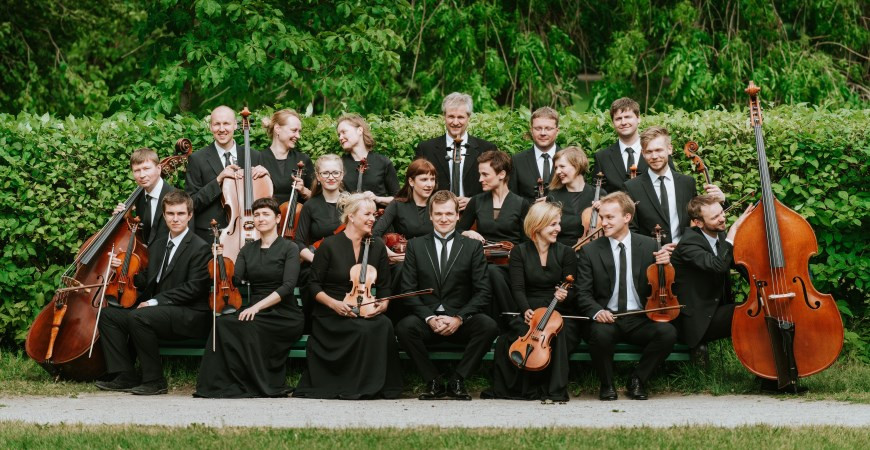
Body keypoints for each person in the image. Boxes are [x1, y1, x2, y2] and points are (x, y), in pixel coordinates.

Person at [96, 191, 211, 395]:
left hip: (190, 315)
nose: (175, 219)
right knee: (108, 315)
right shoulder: (158, 245)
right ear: (164, 215)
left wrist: (154, 302)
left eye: (180, 213)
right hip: (160, 312)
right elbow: (148, 280)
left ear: (190, 215)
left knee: (140, 316)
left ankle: (155, 380)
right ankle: (126, 375)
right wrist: (122, 269)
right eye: (170, 214)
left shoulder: (200, 248)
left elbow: (194, 288)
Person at [293, 192, 402, 399]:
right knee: (362, 329)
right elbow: (313, 285)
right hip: (331, 311)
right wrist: (334, 304)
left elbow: (385, 286)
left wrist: (384, 303)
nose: (372, 219)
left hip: (363, 306)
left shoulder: (377, 245)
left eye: (373, 215)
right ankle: (352, 385)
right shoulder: (329, 245)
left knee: (384, 325)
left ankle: (378, 386)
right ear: (351, 216)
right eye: (367, 214)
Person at [194, 197, 304, 398]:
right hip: (256, 311)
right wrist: (219, 259)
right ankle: (220, 384)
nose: (260, 218)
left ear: (277, 218)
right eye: (257, 214)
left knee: (250, 326)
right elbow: (235, 280)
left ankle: (258, 383)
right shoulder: (247, 249)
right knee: (223, 323)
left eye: (266, 214)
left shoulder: (290, 248)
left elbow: (288, 287)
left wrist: (256, 307)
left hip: (284, 313)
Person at [396, 191, 498, 400]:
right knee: (404, 328)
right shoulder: (415, 245)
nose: (444, 219)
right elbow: (408, 290)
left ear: (458, 216)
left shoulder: (472, 247)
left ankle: (457, 380)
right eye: (439, 214)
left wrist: (459, 318)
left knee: (488, 326)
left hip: (460, 321)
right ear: (430, 216)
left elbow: (483, 292)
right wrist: (430, 318)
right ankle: (432, 381)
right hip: (427, 321)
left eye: (449, 214)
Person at [576, 191, 677, 401]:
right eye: (602, 217)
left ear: (627, 217)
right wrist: (597, 312)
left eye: (609, 217)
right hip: (608, 317)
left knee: (667, 333)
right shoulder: (590, 251)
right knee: (600, 335)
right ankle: (607, 384)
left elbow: (663, 283)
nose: (603, 222)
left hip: (639, 318)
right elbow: (582, 293)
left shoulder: (650, 245)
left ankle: (638, 379)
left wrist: (666, 264)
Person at [483, 202, 583, 402]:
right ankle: (521, 388)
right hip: (530, 310)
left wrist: (564, 295)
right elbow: (518, 288)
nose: (558, 229)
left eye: (558, 223)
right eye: (553, 224)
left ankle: (555, 389)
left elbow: (573, 290)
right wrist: (526, 309)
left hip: (558, 309)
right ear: (538, 225)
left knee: (560, 333)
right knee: (512, 337)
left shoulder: (566, 253)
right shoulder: (519, 252)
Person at [672, 195, 753, 364]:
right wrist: (732, 234)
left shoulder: (719, 236)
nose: (722, 218)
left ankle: (767, 371)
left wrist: (762, 286)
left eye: (722, 212)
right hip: (695, 319)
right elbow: (718, 266)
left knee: (759, 307)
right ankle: (759, 368)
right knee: (750, 313)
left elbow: (740, 264)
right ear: (698, 223)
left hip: (714, 309)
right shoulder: (688, 244)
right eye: (715, 217)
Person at [458, 150, 530, 325]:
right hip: (482, 259)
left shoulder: (521, 203)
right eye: (480, 174)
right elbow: (457, 230)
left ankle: (511, 320)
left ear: (502, 174)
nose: (480, 179)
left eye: (485, 174)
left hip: (511, 262)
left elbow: (527, 241)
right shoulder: (476, 201)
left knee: (492, 272)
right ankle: (510, 320)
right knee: (488, 271)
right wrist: (467, 232)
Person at [624, 126, 725, 245]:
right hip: (652, 255)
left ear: (669, 149)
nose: (654, 156)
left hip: (686, 252)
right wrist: (655, 249)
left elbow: (701, 220)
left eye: (659, 150)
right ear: (643, 153)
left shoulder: (687, 183)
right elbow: (630, 231)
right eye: (649, 152)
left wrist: (722, 201)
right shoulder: (631, 187)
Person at [184, 105, 269, 243]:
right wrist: (218, 180)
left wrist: (266, 177)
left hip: (247, 232)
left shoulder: (254, 156)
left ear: (235, 125)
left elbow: (266, 200)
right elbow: (190, 203)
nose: (222, 129)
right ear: (210, 127)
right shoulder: (197, 159)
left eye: (226, 123)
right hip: (210, 236)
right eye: (217, 124)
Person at [372, 158, 436, 319]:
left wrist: (467, 232)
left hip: (432, 259)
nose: (429, 184)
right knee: (402, 269)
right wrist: (390, 254)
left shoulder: (438, 204)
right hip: (403, 260)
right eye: (424, 179)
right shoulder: (397, 204)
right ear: (411, 181)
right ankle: (396, 319)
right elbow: (374, 233)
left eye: (432, 179)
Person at [414, 92, 497, 210]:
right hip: (436, 214)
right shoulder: (426, 148)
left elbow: (496, 187)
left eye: (460, 117)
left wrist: (474, 202)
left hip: (475, 214)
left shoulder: (487, 149)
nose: (455, 122)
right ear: (444, 116)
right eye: (451, 116)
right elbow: (416, 187)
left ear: (468, 117)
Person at [294, 154, 346, 330]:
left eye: (335, 173)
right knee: (309, 276)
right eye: (325, 173)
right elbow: (299, 243)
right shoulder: (310, 205)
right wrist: (317, 261)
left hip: (346, 261)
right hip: (316, 261)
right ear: (318, 176)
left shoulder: (351, 204)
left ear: (342, 174)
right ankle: (313, 327)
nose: (331, 177)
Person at [592, 97, 673, 193]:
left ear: (638, 118)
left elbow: (671, 183)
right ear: (613, 123)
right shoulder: (602, 157)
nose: (623, 122)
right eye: (618, 119)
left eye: (627, 117)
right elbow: (599, 193)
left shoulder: (658, 151)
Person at [112, 147, 177, 247]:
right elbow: (143, 235)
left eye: (146, 169)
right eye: (137, 170)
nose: (142, 175)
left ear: (158, 169)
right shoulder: (139, 198)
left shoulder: (178, 198)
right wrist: (124, 219)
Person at [546, 146, 605, 248]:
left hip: (593, 251)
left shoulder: (599, 194)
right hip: (560, 251)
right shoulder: (553, 196)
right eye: (556, 168)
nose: (557, 171)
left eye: (562, 166)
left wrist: (605, 212)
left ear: (577, 166)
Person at [337, 113, 399, 206]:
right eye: (339, 134)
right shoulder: (339, 164)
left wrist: (377, 199)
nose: (340, 137)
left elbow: (399, 199)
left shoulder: (383, 162)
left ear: (359, 130)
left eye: (344, 132)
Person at [259, 109, 314, 205]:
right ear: (277, 129)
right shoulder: (258, 158)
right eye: (294, 130)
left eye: (299, 131)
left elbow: (317, 199)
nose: (298, 136)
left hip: (296, 214)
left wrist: (304, 191)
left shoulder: (303, 160)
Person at [509, 107, 561, 202]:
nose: (543, 133)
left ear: (557, 131)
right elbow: (512, 199)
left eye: (548, 129)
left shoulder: (569, 159)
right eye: (538, 128)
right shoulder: (517, 161)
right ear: (531, 130)